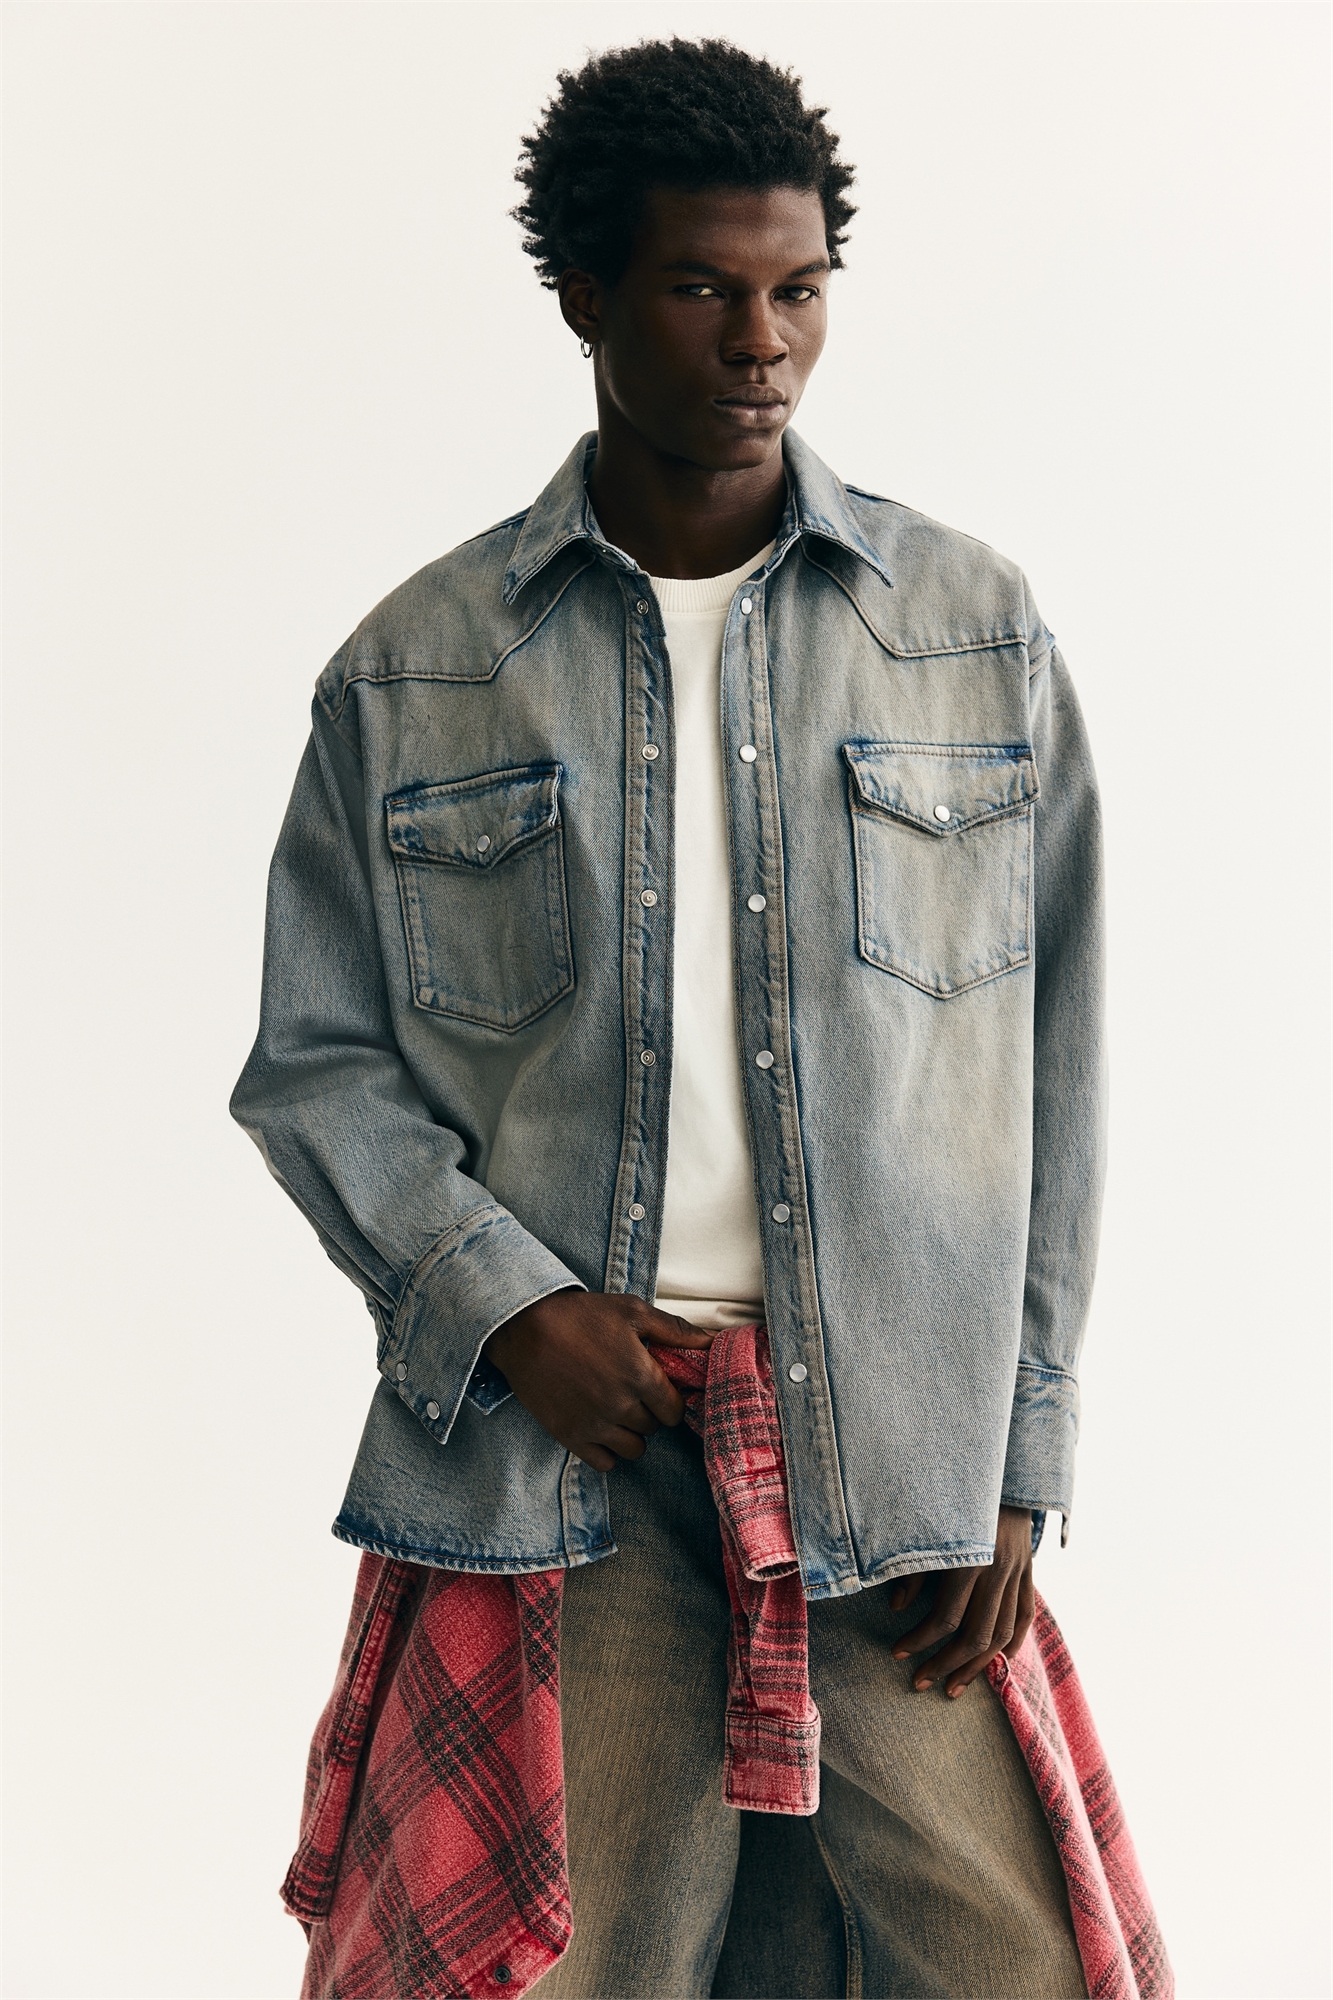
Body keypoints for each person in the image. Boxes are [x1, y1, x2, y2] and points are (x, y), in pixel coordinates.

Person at [232, 37, 1109, 1999]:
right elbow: (315, 1064)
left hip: (892, 1458)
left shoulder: (967, 635)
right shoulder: (419, 668)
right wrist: (502, 1303)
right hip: (578, 1467)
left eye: (798, 290)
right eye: (704, 288)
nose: (761, 343)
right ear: (587, 297)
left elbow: (1053, 1074)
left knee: (1011, 1959)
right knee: (573, 1965)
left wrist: (1019, 1450)